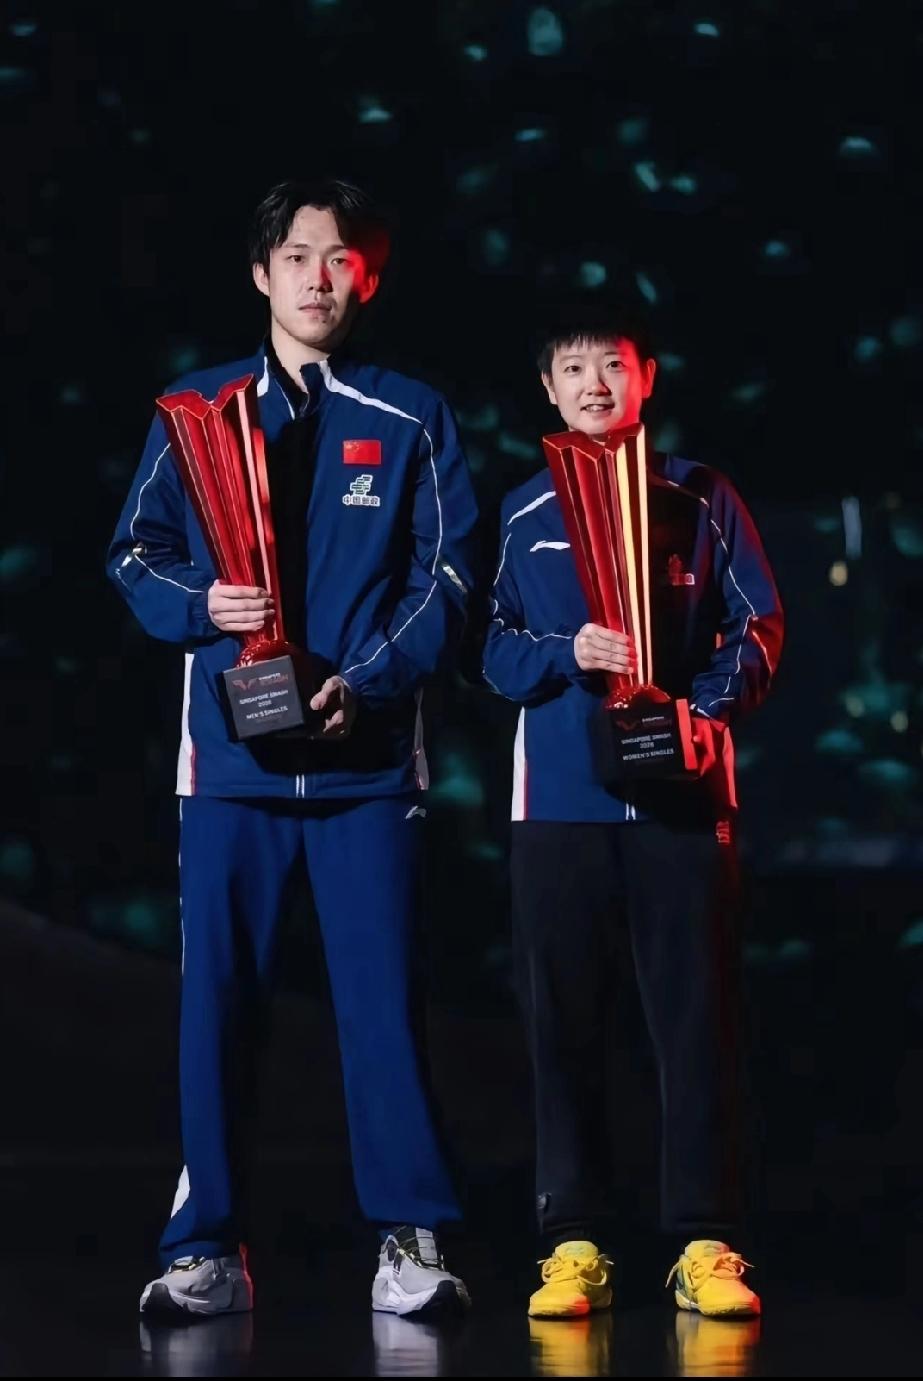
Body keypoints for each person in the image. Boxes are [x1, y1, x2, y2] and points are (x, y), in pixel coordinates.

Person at [107, 178, 477, 1318]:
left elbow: (448, 577)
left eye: (342, 258)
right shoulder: (196, 412)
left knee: (382, 1002)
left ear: (369, 279)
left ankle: (408, 1238)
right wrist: (202, 604)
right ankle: (205, 1244)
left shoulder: (410, 415)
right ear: (262, 273)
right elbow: (134, 554)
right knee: (216, 1003)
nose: (320, 277)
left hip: (367, 767)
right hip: (229, 770)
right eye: (300, 255)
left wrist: (366, 681)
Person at [482, 301, 783, 1320]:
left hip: (682, 801)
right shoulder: (523, 510)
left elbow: (757, 623)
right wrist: (563, 652)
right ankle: (572, 1240)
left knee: (696, 1018)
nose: (594, 384)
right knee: (561, 1019)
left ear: (645, 376)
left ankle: (705, 1241)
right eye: (573, 368)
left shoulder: (699, 496)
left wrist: (703, 712)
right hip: (557, 804)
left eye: (612, 365)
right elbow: (489, 647)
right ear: (548, 389)